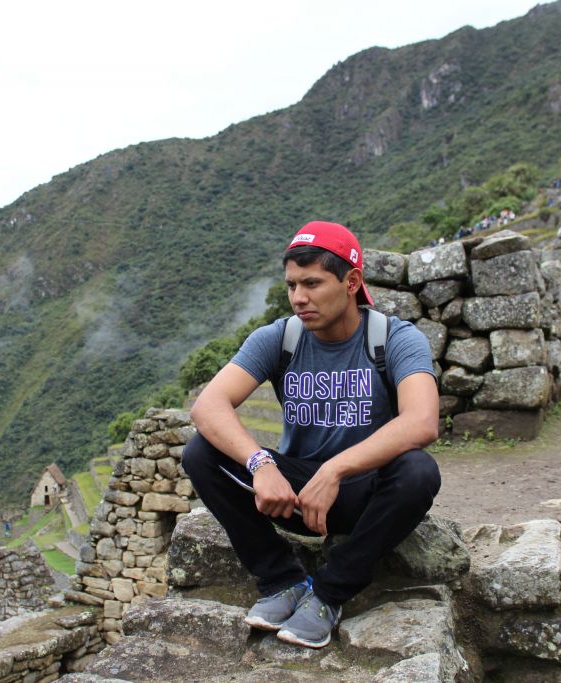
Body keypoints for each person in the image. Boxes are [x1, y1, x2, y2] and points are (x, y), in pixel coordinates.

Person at [182, 221, 440, 649]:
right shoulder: (279, 338)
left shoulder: (394, 338)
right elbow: (208, 406)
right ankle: (281, 580)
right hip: (295, 497)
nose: (299, 298)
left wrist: (336, 469)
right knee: (200, 453)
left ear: (351, 282)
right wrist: (260, 464)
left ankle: (327, 594)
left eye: (313, 283)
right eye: (292, 285)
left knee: (418, 471)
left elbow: (422, 421)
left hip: (364, 494)